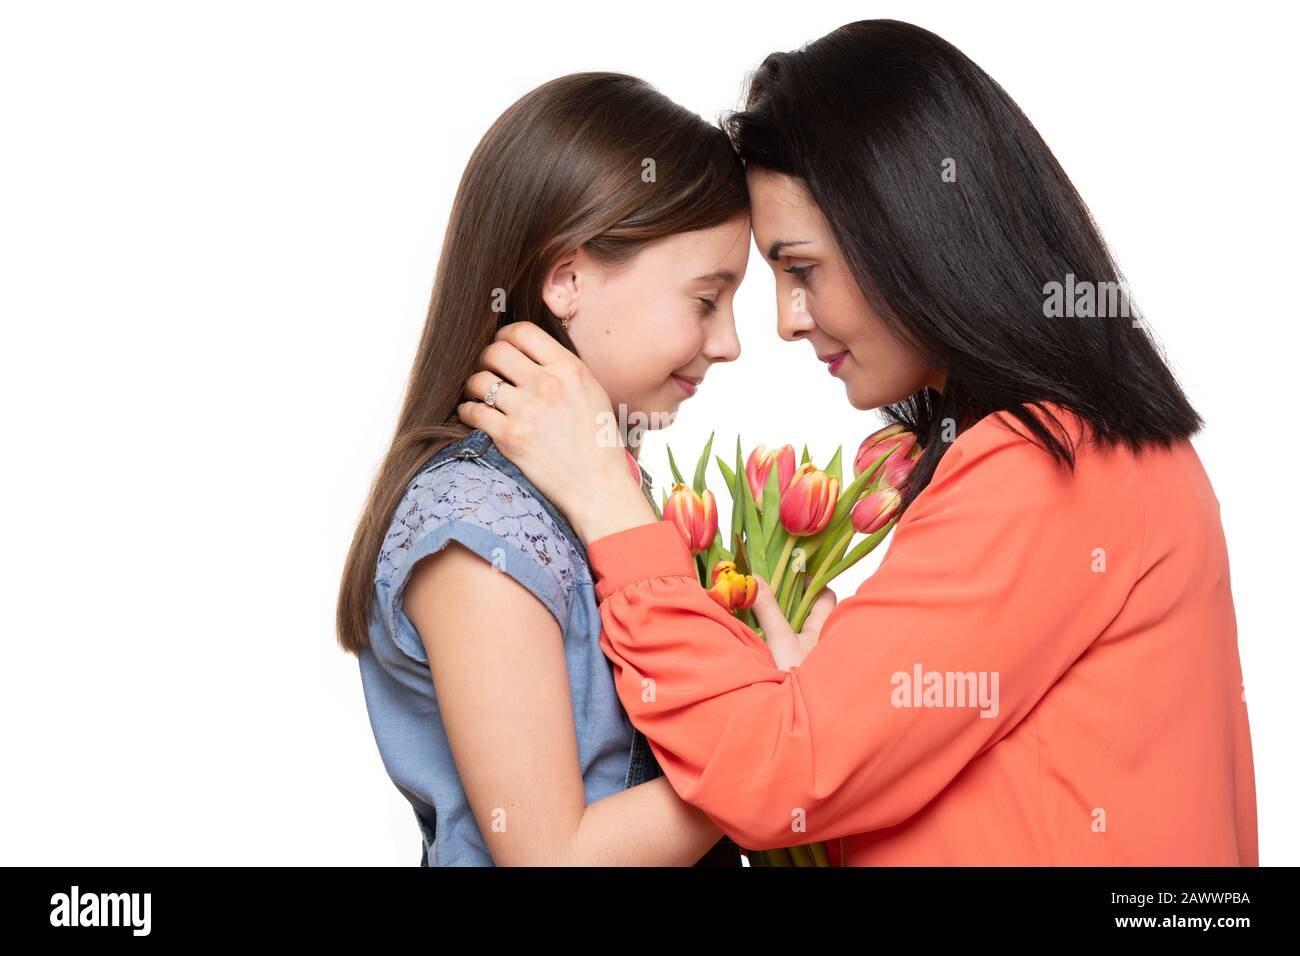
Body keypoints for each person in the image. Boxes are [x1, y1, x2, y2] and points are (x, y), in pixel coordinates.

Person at [456, 21, 1258, 865]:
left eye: (800, 270)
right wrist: (826, 700)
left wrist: (610, 505)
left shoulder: (1050, 465)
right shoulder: (1080, 449)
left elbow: (784, 772)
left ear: (913, 232)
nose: (784, 322)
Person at [337, 71, 768, 865]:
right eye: (707, 299)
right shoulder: (476, 526)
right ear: (567, 279)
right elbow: (550, 858)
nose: (730, 342)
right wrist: (783, 740)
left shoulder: (598, 487)